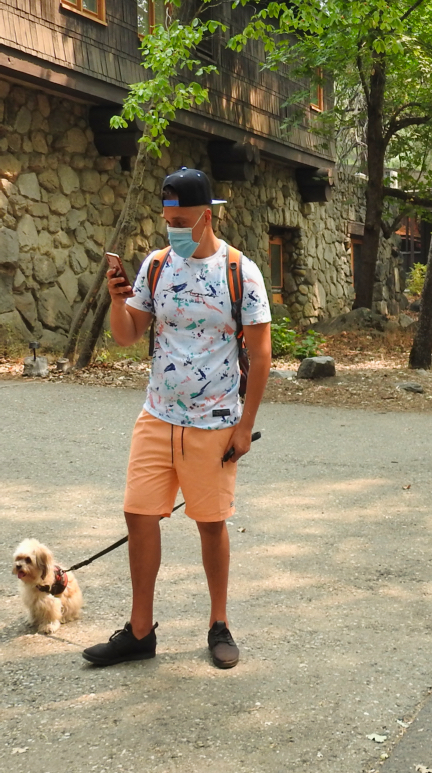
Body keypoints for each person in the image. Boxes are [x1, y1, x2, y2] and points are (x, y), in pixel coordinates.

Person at [82, 168, 272, 669]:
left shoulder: (240, 271)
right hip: (157, 415)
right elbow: (127, 335)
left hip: (214, 422)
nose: (174, 231)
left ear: (207, 216)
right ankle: (140, 631)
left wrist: (243, 424)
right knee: (139, 515)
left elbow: (262, 351)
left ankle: (219, 623)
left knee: (211, 524)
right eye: (168, 221)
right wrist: (117, 298)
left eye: (182, 221)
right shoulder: (157, 265)